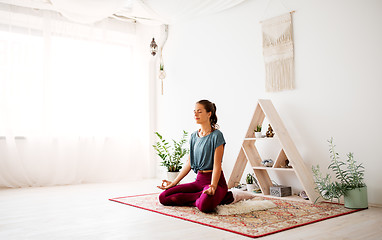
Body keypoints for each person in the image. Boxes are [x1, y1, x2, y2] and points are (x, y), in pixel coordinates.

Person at [157, 99, 235, 213]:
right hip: (199, 181)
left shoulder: (217, 135)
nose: (195, 114)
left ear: (209, 114)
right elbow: (189, 163)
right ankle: (202, 197)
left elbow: (217, 165)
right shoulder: (194, 136)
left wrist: (213, 186)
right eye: (194, 111)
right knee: (163, 197)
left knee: (204, 206)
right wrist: (173, 183)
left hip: (215, 182)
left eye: (199, 111)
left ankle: (214, 196)